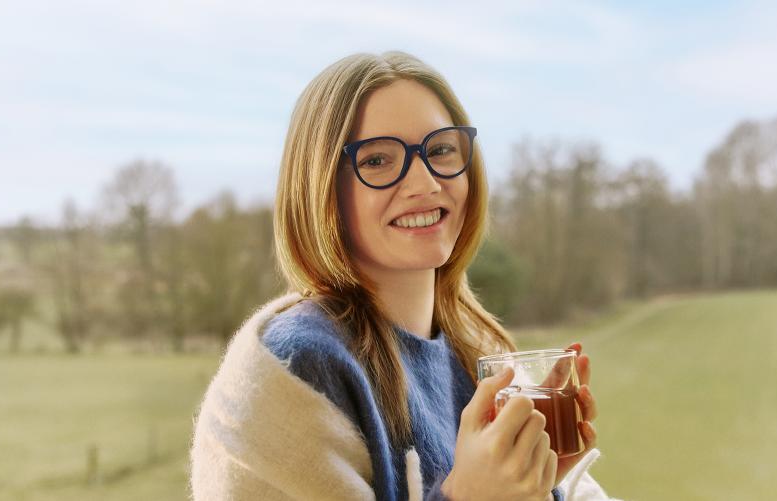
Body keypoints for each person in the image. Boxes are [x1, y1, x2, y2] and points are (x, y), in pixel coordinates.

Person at [190, 51, 617, 501]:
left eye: (440, 150)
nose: (425, 183)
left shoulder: (478, 352)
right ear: (321, 187)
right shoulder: (292, 369)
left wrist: (540, 484)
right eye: (377, 160)